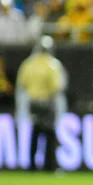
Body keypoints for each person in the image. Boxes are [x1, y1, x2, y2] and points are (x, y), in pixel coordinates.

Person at [16, 36, 67, 171]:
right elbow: (57, 86)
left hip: (33, 103)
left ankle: (32, 165)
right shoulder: (53, 65)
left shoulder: (28, 64)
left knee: (35, 134)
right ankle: (49, 165)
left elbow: (22, 83)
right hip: (47, 103)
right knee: (50, 135)